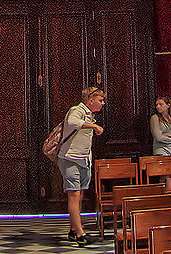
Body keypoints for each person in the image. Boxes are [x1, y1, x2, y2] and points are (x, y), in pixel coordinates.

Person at [60, 84, 105, 241]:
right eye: (100, 100)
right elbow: (73, 122)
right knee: (74, 194)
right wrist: (93, 126)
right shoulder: (76, 110)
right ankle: (80, 232)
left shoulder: (90, 114)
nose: (103, 103)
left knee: (79, 196)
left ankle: (73, 229)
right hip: (70, 158)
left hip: (84, 159)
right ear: (91, 100)